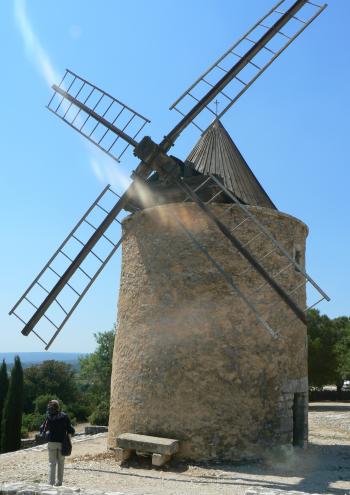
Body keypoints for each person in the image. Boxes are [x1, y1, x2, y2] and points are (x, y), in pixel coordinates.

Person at [40, 399, 75, 486]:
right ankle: (59, 483)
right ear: (58, 407)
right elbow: (70, 429)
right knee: (61, 463)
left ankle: (51, 483)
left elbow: (43, 428)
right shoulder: (64, 416)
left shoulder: (48, 417)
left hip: (51, 442)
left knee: (52, 463)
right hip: (62, 443)